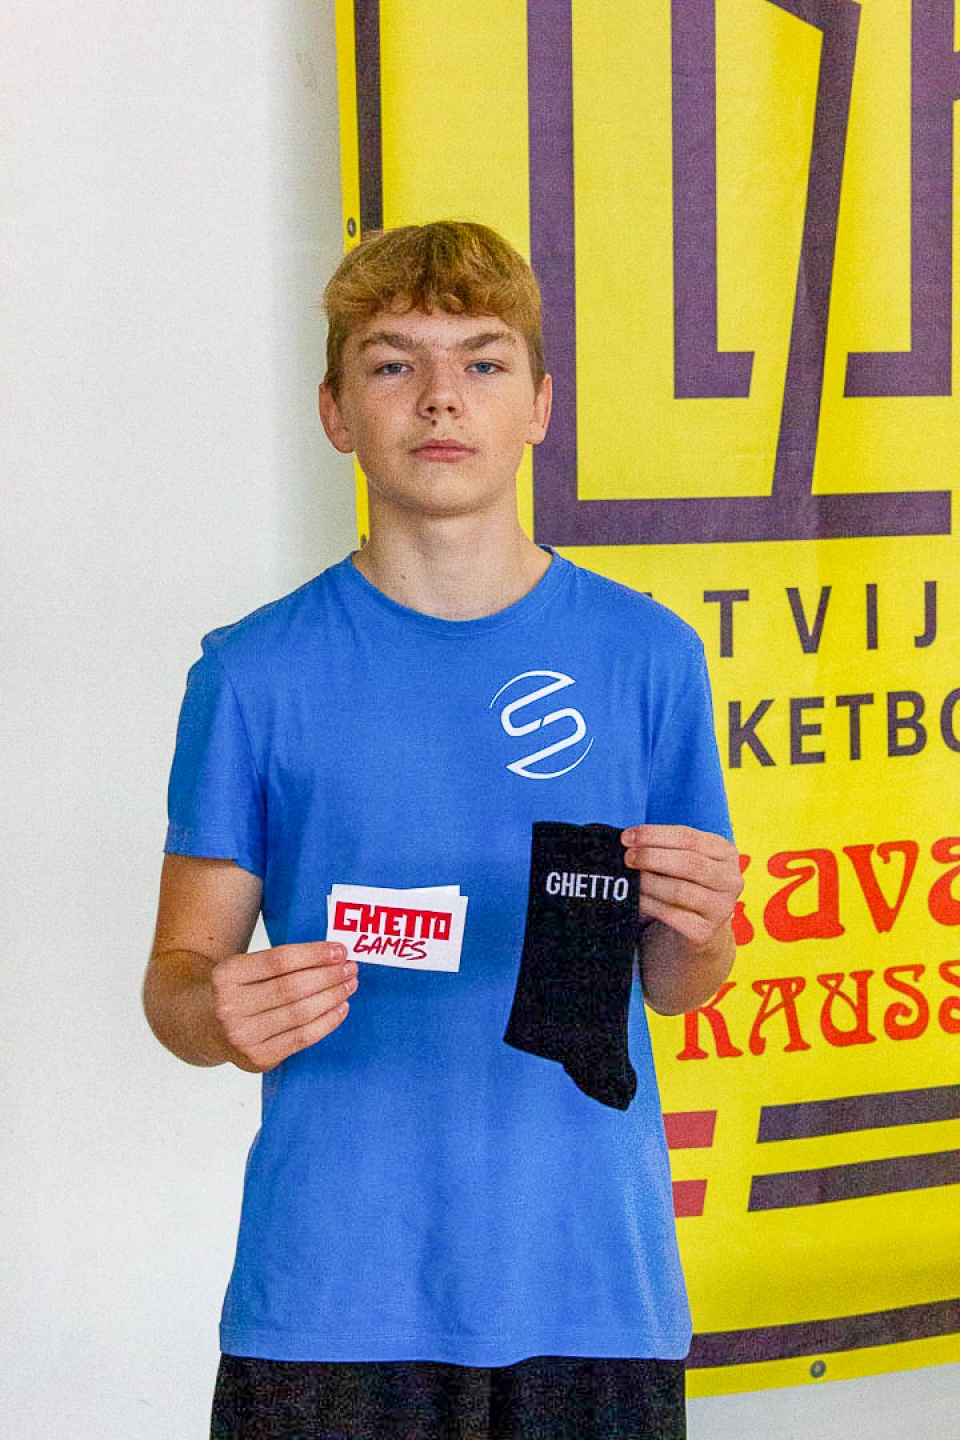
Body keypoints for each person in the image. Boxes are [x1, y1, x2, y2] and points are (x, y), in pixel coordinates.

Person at [143, 220, 743, 1440]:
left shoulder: (648, 656)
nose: (439, 398)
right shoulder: (252, 674)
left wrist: (703, 928)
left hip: (592, 1284)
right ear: (334, 412)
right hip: (331, 1297)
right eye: (391, 363)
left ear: (540, 405)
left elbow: (680, 986)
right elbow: (178, 983)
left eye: (482, 360)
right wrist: (218, 1013)